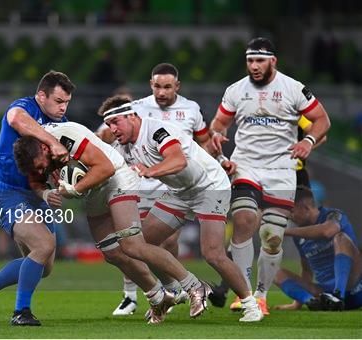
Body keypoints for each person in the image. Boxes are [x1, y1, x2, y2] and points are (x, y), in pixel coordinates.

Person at [13, 121, 212, 322]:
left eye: (42, 165)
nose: (43, 170)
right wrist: (46, 192)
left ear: (45, 148)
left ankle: (195, 286)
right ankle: (158, 297)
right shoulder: (31, 150)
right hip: (92, 191)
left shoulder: (66, 136)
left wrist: (75, 189)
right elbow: (35, 180)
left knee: (133, 246)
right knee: (113, 254)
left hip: (116, 178)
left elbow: (105, 167)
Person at [100, 97, 263, 322]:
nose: (113, 129)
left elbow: (178, 161)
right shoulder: (123, 146)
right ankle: (173, 291)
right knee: (142, 244)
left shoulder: (156, 129)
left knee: (213, 254)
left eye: (115, 122)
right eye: (109, 125)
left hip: (210, 186)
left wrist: (150, 171)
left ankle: (250, 304)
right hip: (180, 192)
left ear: (132, 116)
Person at [209, 37, 331, 315]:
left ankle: (261, 295)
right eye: (250, 60)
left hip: (281, 168)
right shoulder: (235, 90)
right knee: (243, 219)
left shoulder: (294, 89)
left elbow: (323, 120)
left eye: (260, 60)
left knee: (272, 236)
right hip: (246, 165)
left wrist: (308, 141)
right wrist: (217, 134)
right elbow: (219, 123)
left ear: (273, 61)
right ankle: (245, 294)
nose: (254, 66)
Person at [0, 71, 75, 326]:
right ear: (41, 96)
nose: (63, 107)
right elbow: (15, 119)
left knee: (44, 267)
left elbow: (49, 170)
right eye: (58, 101)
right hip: (7, 193)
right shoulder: (23, 107)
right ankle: (21, 312)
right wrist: (52, 142)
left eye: (66, 102)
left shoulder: (62, 122)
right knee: (44, 246)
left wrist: (52, 188)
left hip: (36, 195)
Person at [274, 187, 362, 311]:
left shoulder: (334, 215)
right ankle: (313, 302)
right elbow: (306, 270)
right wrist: (297, 303)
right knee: (271, 270)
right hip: (325, 293)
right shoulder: (299, 237)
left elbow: (327, 231)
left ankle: (338, 295)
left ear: (306, 208)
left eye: (292, 211)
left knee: (340, 237)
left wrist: (283, 231)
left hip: (355, 287)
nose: (290, 216)